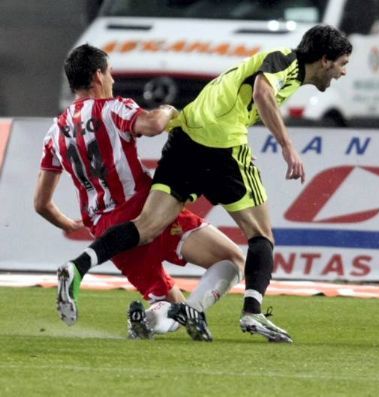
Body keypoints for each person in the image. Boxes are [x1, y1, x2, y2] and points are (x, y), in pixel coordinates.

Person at [57, 25, 352, 343]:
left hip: (185, 139)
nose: (343, 73)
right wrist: (287, 145)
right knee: (261, 235)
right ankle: (252, 310)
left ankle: (79, 266)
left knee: (146, 226)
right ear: (324, 60)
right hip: (222, 145)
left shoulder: (281, 68)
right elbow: (262, 94)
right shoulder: (286, 61)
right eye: (342, 64)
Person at [34, 44, 245, 341]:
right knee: (233, 259)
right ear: (97, 75)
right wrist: (169, 109)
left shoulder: (55, 131)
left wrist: (67, 223)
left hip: (106, 230)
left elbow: (41, 203)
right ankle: (180, 314)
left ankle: (145, 322)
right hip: (146, 211)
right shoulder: (113, 107)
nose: (113, 80)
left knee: (172, 303)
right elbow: (154, 124)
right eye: (109, 72)